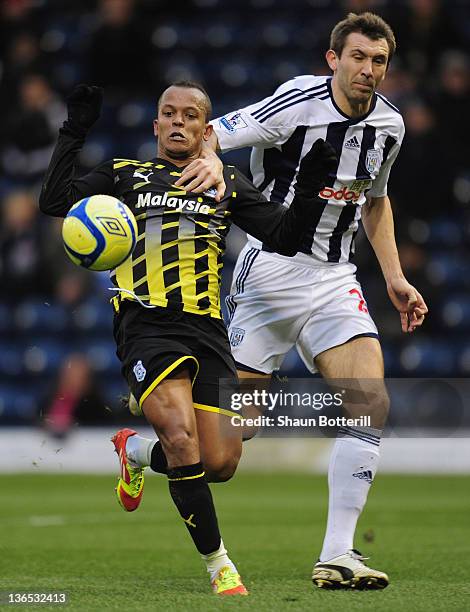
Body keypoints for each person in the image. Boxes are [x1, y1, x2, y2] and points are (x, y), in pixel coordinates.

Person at [39, 81, 336, 595]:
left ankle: (132, 452)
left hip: (208, 330)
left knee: (219, 461)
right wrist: (74, 130)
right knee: (180, 438)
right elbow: (54, 201)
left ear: (206, 129)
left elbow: (288, 236)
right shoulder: (124, 176)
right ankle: (219, 564)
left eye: (191, 115)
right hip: (146, 324)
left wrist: (310, 183)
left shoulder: (227, 183)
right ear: (156, 125)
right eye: (169, 114)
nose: (179, 122)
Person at [175, 12, 428, 590]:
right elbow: (214, 131)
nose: (369, 70)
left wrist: (394, 276)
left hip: (335, 279)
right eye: (358, 57)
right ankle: (141, 451)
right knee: (224, 453)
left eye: (379, 60)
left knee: (371, 402)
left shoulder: (390, 125)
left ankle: (338, 554)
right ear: (333, 59)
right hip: (268, 273)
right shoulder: (297, 102)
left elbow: (376, 202)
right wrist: (212, 156)